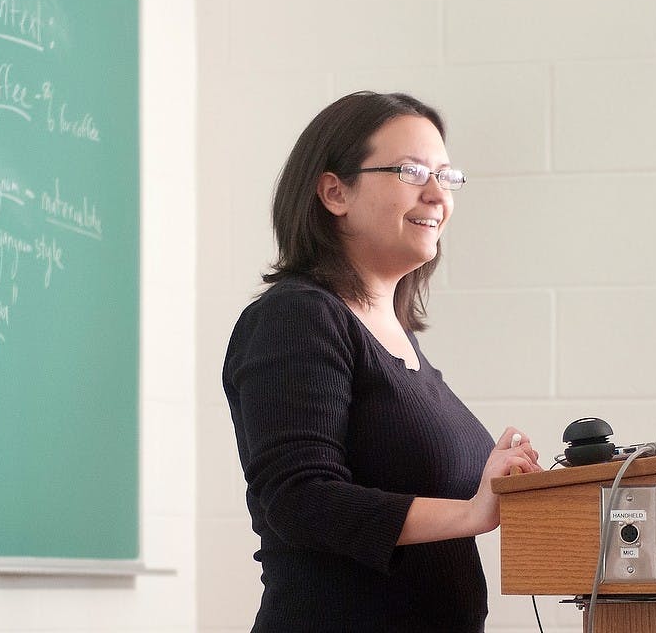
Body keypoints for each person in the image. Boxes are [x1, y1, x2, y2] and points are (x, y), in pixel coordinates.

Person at [223, 91, 543, 632]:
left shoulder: (397, 339)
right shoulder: (296, 317)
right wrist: (469, 513)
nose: (437, 194)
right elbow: (300, 499)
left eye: (447, 175)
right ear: (334, 192)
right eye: (412, 171)